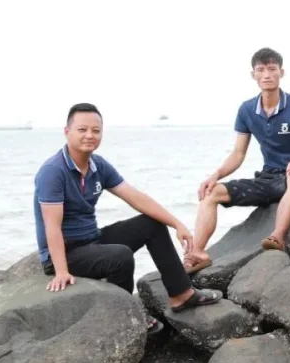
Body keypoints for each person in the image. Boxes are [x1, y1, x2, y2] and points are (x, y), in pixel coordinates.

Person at [34, 103, 222, 334]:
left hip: (91, 241)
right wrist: (62, 271)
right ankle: (124, 315)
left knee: (151, 224)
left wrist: (177, 224)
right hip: (66, 253)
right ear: (67, 132)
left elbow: (136, 198)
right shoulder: (53, 171)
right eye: (82, 130)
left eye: (96, 130)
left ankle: (181, 294)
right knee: (120, 256)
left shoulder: (97, 165)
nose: (90, 135)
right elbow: (51, 225)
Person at [184, 47, 290, 273]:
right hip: (269, 177)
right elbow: (238, 154)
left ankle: (277, 236)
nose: (267, 75)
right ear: (253, 75)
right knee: (211, 192)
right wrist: (215, 175)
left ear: (281, 72)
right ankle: (198, 253)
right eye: (261, 70)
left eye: (272, 69)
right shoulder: (247, 109)